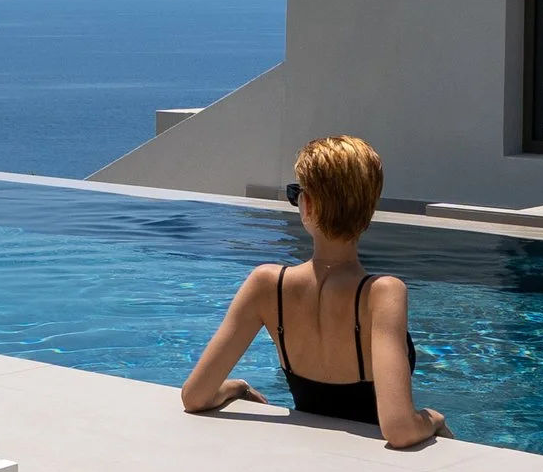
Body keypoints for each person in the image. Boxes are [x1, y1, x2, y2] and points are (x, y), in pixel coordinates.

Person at [180, 134, 449, 448]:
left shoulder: (266, 285)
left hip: (305, 459)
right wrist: (434, 418)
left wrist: (234, 388)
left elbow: (195, 396)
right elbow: (400, 429)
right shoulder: (382, 293)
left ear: (307, 205)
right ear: (369, 207)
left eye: (297, 193)